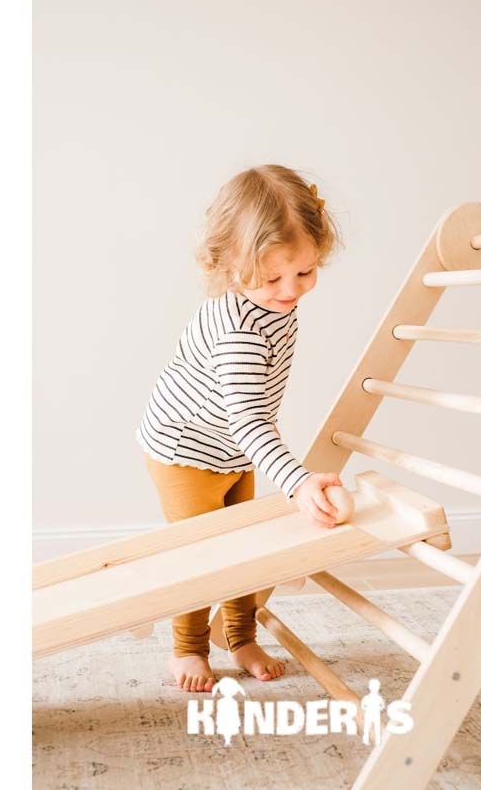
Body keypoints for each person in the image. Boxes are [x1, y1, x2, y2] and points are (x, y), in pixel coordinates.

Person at [135, 164, 346, 693]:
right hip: (183, 448)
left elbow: (251, 415)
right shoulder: (238, 328)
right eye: (272, 278)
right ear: (228, 266)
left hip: (232, 447)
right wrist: (297, 482)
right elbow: (247, 416)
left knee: (246, 547)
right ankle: (187, 648)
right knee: (202, 552)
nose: (290, 290)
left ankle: (239, 634)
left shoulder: (272, 304)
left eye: (306, 272)